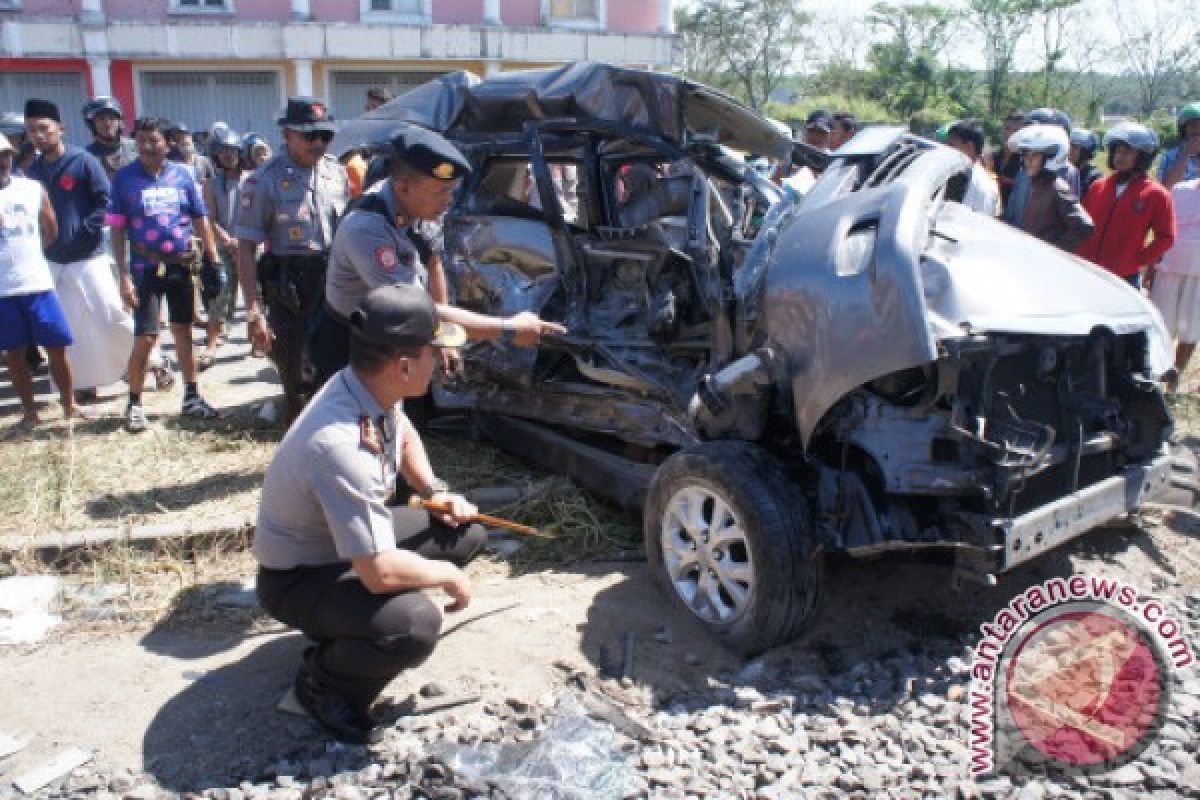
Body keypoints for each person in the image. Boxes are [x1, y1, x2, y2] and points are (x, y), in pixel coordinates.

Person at [255, 283, 486, 744]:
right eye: (433, 351)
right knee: (415, 625)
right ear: (405, 365)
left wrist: (434, 490)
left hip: (339, 549)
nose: (439, 361)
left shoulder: (368, 383)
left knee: (464, 531)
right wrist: (443, 576)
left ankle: (352, 627)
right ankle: (324, 683)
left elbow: (401, 431)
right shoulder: (341, 445)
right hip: (298, 576)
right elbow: (378, 571)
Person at [310, 127, 565, 388]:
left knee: (398, 420)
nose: (449, 200)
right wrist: (509, 329)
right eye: (441, 191)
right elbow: (415, 307)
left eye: (451, 190)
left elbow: (433, 261)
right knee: (358, 423)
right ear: (403, 187)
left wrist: (443, 335)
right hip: (352, 345)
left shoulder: (420, 205)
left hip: (397, 336)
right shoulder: (367, 228)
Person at [234, 97, 351, 424]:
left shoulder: (336, 173)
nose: (318, 143)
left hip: (335, 276)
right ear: (287, 134)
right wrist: (253, 309)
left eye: (325, 136)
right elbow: (245, 247)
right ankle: (299, 442)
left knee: (337, 363)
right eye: (309, 135)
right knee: (295, 369)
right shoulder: (262, 181)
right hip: (291, 284)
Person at [107, 116, 223, 431]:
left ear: (167, 142)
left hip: (181, 265)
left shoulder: (183, 175)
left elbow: (201, 219)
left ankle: (192, 397)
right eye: (142, 140)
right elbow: (117, 231)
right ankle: (134, 403)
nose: (148, 146)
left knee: (183, 330)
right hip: (145, 268)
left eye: (154, 140)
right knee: (145, 337)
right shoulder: (124, 179)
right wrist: (123, 276)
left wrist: (213, 260)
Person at [25, 98, 135, 402]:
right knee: (71, 326)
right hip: (54, 261)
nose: (39, 135)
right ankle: (84, 383)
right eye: (32, 130)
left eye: (44, 128)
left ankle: (144, 364)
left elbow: (106, 202)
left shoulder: (82, 161)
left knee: (112, 315)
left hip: (90, 257)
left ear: (61, 128)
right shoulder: (32, 171)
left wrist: (85, 231)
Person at [0, 133, 81, 434]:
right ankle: (30, 413)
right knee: (14, 354)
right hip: (3, 290)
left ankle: (69, 405)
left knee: (57, 346)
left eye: (5, 156)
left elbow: (51, 230)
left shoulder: (32, 188)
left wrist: (28, 256)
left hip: (36, 282)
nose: (2, 163)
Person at [1076, 122, 1175, 289]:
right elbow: (1082, 223)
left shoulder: (1156, 194)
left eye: (1127, 151)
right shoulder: (1099, 186)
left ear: (1142, 157)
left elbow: (1166, 237)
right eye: (1117, 151)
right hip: (1087, 269)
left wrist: (1137, 260)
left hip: (1123, 277)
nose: (1119, 156)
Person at [1002, 123, 1093, 252]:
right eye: (1026, 155)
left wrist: (1054, 252)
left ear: (1052, 157)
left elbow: (1084, 226)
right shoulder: (1038, 185)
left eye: (1035, 155)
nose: (1028, 160)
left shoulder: (1057, 187)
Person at [1149, 176, 1200, 391]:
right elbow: (1164, 231)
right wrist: (1151, 267)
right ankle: (1153, 379)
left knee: (1191, 330)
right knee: (1161, 327)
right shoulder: (1180, 189)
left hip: (1198, 275)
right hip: (1169, 268)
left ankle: (1173, 384)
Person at [198, 127, 243, 370]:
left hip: (249, 246)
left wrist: (244, 240)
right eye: (222, 151)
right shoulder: (211, 184)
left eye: (232, 150)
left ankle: (257, 339)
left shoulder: (251, 180)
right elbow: (209, 217)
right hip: (224, 245)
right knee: (220, 293)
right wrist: (224, 238)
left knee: (257, 294)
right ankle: (211, 343)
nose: (228, 155)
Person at [945, 119, 999, 216]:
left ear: (969, 147)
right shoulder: (989, 185)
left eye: (951, 145)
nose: (946, 149)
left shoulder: (978, 185)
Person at [82, 97, 138, 181]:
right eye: (101, 119)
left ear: (120, 121)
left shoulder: (137, 148)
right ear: (92, 124)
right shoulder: (85, 156)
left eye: (112, 118)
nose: (107, 124)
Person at [985, 110, 1026, 207]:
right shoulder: (990, 157)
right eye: (1007, 128)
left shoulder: (1025, 164)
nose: (1010, 134)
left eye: (1016, 131)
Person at [1158, 103, 1200, 190]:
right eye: (1193, 125)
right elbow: (1166, 188)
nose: (1198, 129)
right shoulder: (1170, 156)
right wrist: (1186, 153)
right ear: (1184, 129)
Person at [166, 124, 215, 189]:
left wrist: (205, 183)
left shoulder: (204, 161)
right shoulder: (175, 164)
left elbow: (213, 181)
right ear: (178, 146)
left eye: (187, 143)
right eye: (182, 144)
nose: (185, 147)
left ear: (193, 143)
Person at [1068, 128, 1103, 198]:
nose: (1069, 150)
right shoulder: (1065, 171)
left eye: (1075, 147)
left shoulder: (1093, 178)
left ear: (1085, 152)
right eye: (1069, 146)